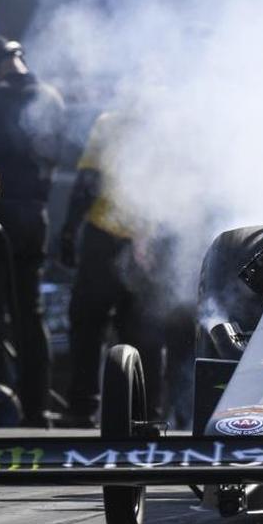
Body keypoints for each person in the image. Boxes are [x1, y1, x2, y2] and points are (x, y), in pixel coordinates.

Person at [0, 36, 66, 426]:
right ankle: (36, 408)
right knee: (31, 313)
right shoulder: (51, 97)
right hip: (36, 215)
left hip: (0, 215)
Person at [59, 111, 165, 426]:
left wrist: (69, 229)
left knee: (88, 323)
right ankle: (147, 414)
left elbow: (88, 181)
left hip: (107, 237)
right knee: (143, 332)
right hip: (149, 237)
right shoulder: (171, 122)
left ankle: (82, 408)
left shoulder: (110, 122)